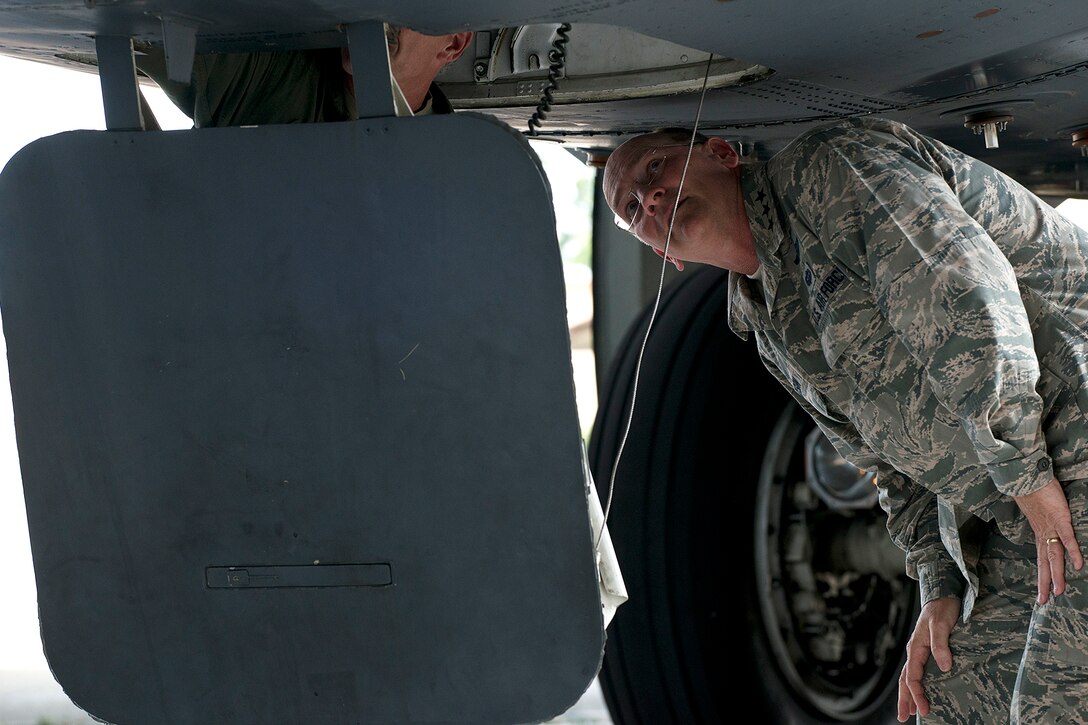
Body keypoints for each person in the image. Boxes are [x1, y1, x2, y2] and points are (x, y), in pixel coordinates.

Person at [603, 117, 1088, 723]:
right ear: (663, 253)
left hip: (1067, 439)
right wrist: (939, 586)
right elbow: (889, 461)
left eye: (656, 168)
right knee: (949, 703)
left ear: (723, 153)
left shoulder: (829, 170)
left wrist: (1028, 484)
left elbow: (970, 305)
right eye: (631, 207)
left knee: (1056, 708)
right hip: (1025, 499)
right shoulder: (762, 317)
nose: (648, 196)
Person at [135, 24, 473, 126]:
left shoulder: (457, 176)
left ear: (453, 44)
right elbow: (147, 28)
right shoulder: (265, 71)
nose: (369, 11)